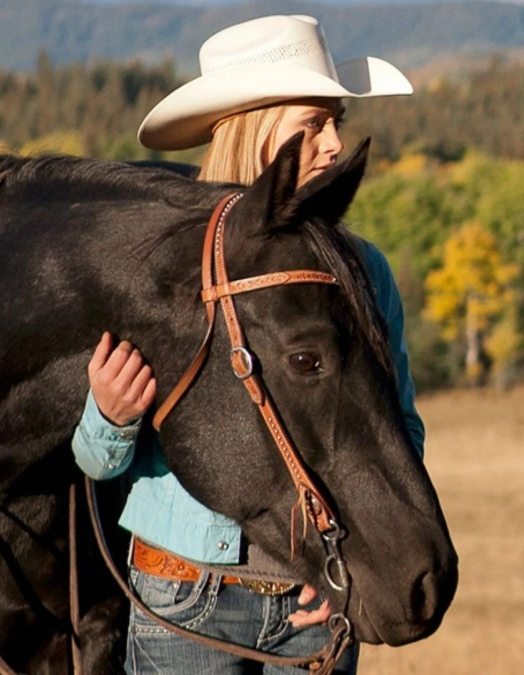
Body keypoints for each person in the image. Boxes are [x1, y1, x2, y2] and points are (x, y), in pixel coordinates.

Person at [72, 14, 424, 674]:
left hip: (314, 605)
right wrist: (110, 416)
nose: (332, 145)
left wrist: (353, 562)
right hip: (185, 601)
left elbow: (396, 431)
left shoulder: (363, 271)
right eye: (311, 125)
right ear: (254, 132)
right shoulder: (159, 269)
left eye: (336, 123)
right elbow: (94, 461)